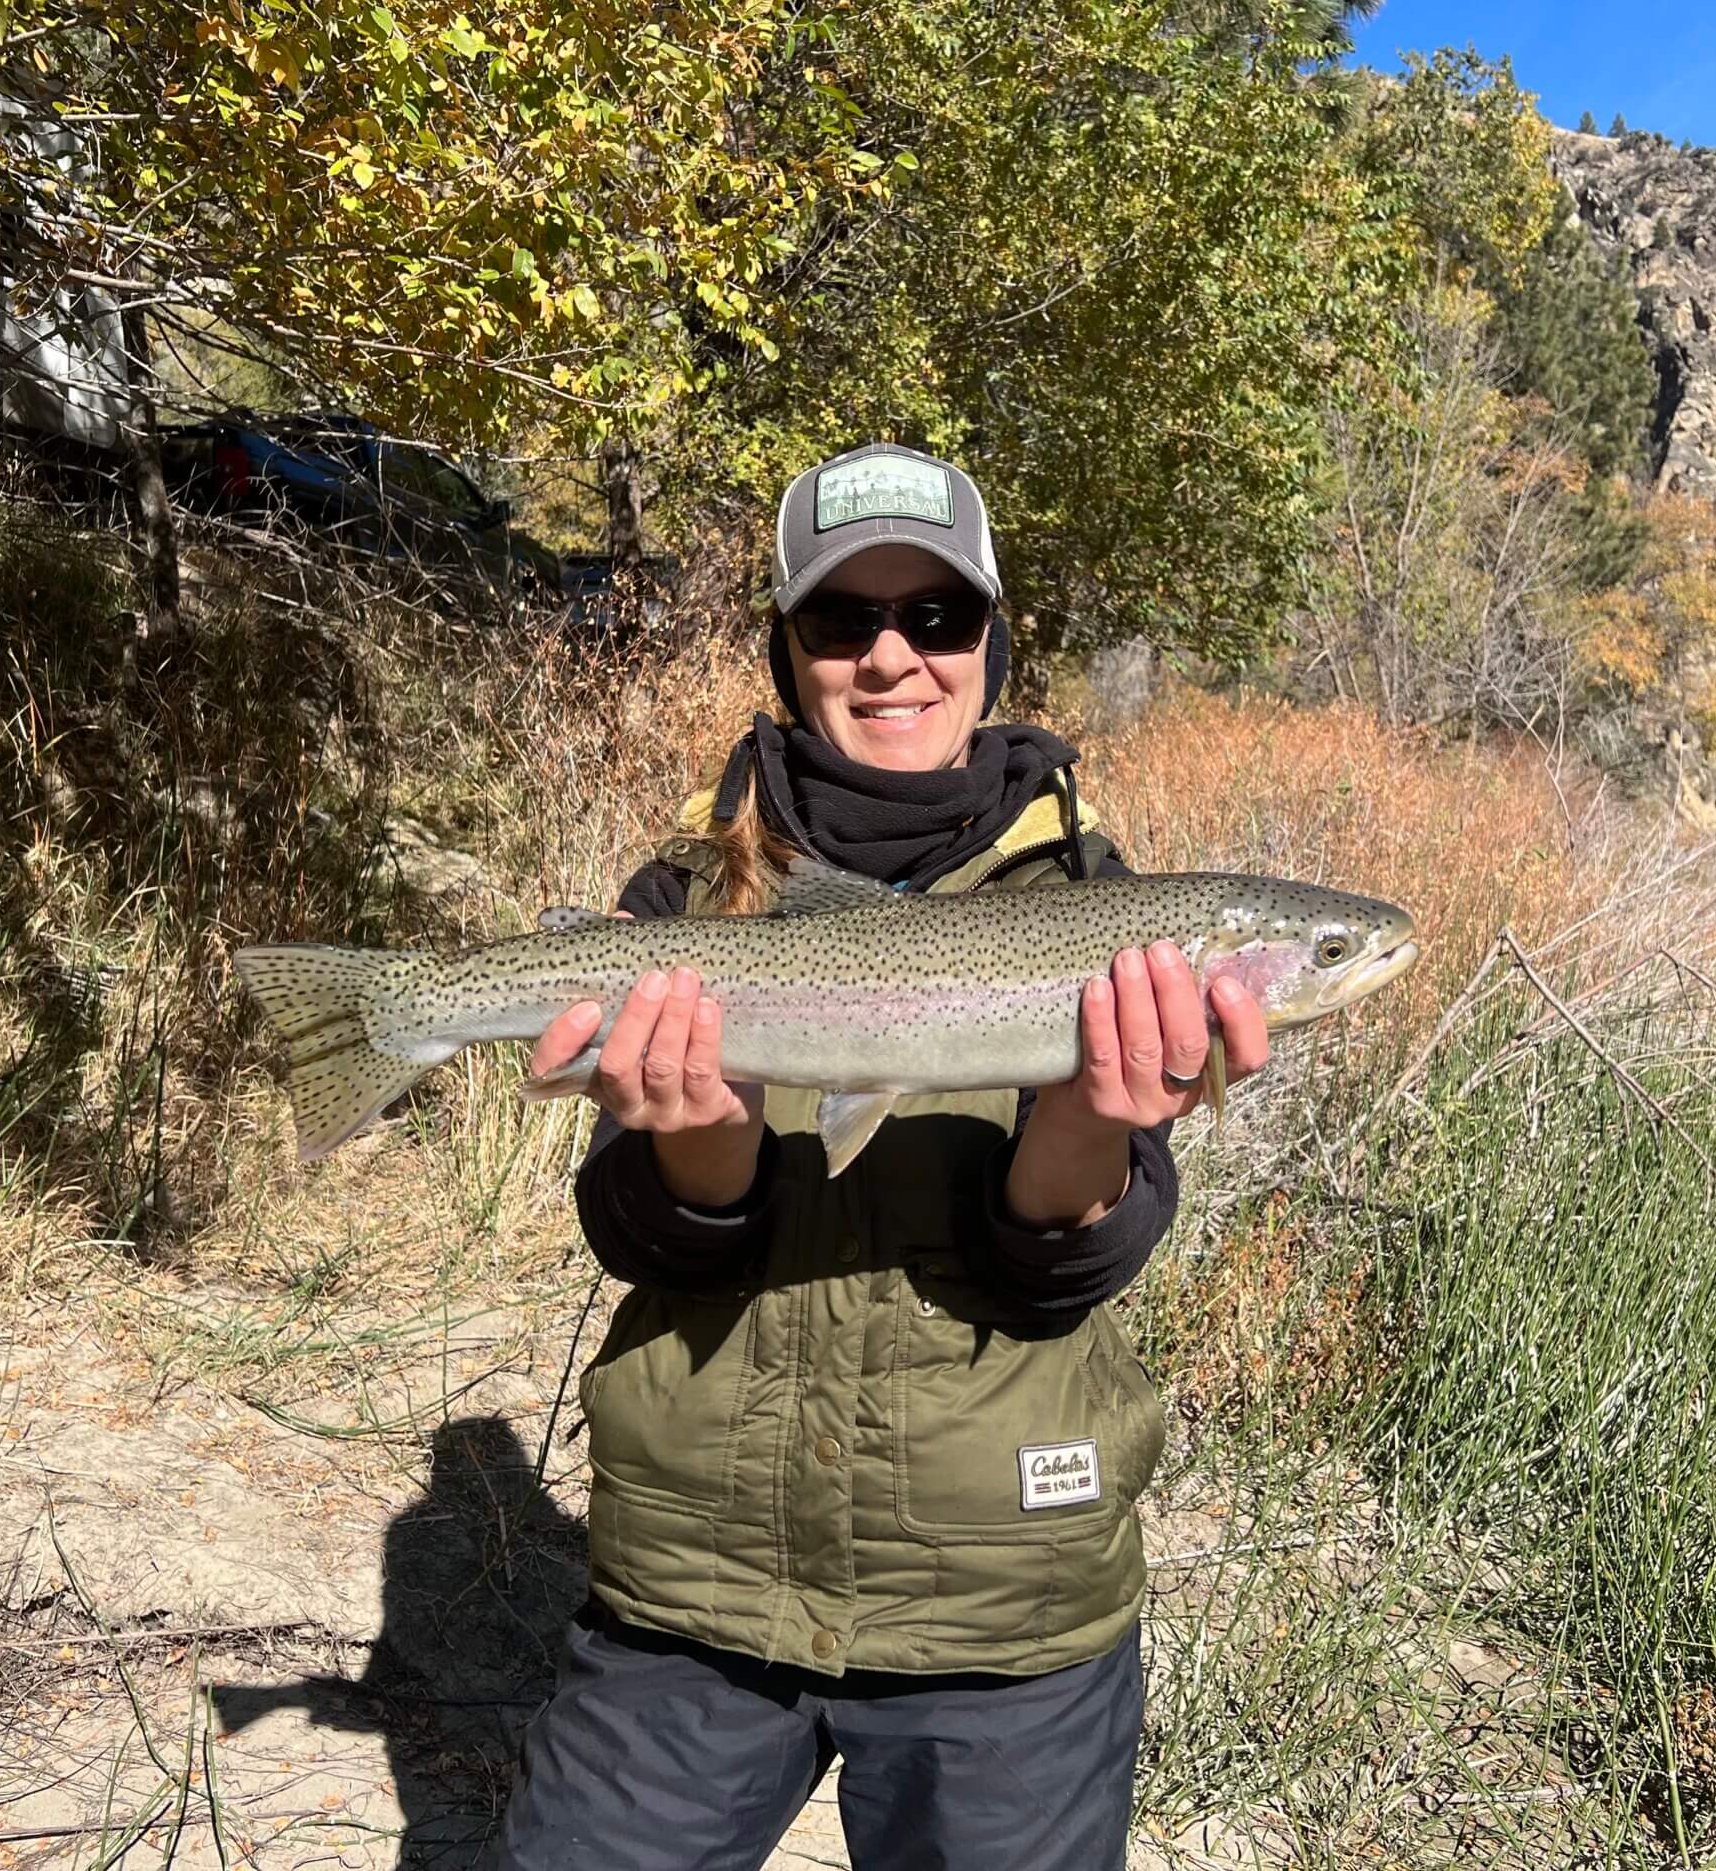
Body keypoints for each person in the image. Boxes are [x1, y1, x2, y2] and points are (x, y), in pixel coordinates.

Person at [492, 444, 1275, 1870]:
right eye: (844, 621)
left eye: (938, 618)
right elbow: (641, 1239)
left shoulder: (1105, 905)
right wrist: (707, 1133)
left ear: (992, 641)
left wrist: (1095, 1116)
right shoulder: (686, 898)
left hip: (1006, 1608)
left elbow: (1065, 1273)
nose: (893, 657)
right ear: (787, 649)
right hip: (692, 1593)